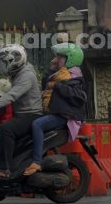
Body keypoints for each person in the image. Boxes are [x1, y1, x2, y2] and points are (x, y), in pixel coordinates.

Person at [0, 44, 43, 183]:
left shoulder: (27, 75)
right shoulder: (17, 74)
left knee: (7, 129)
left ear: (14, 60)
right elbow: (4, 95)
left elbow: (11, 96)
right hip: (21, 114)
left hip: (30, 115)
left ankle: (5, 170)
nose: (3, 66)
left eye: (5, 62)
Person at [24, 42, 87, 176]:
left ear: (69, 59)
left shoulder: (74, 77)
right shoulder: (59, 74)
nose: (56, 60)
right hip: (55, 113)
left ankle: (36, 161)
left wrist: (58, 86)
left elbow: (80, 96)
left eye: (60, 57)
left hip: (65, 117)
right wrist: (51, 70)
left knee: (37, 125)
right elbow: (46, 85)